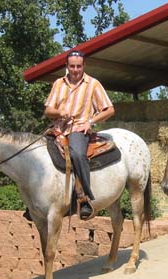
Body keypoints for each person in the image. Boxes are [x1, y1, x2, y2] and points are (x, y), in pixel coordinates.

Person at [45, 50, 115, 219]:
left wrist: (90, 122)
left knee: (77, 153)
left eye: (78, 66)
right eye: (72, 66)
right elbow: (48, 110)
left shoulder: (93, 84)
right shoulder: (58, 83)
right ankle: (38, 199)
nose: (75, 70)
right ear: (67, 66)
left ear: (83, 66)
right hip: (57, 129)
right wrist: (60, 112)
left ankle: (84, 198)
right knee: (36, 151)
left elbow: (109, 110)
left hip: (78, 129)